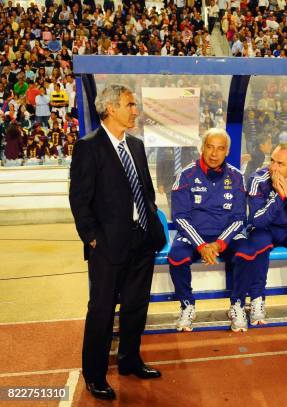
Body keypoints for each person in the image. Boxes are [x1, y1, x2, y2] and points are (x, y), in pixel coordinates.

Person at [69, 84, 167, 400]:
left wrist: (150, 223)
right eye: (130, 104)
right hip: (108, 246)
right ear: (111, 108)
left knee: (136, 306)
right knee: (101, 310)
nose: (135, 110)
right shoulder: (89, 147)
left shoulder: (136, 145)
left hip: (141, 240)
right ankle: (95, 374)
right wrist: (93, 239)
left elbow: (147, 192)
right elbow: (79, 200)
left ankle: (129, 360)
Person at [229, 143, 287, 330]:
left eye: (280, 163)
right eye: (272, 160)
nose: (273, 167)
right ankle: (256, 300)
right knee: (259, 242)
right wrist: (279, 197)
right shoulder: (257, 178)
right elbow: (257, 220)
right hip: (266, 229)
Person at [168, 128, 247, 331]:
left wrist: (219, 243)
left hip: (225, 236)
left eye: (220, 149)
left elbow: (239, 219)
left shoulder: (237, 177)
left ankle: (237, 305)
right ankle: (187, 305)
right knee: (176, 256)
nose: (214, 154)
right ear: (202, 148)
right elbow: (180, 218)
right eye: (210, 147)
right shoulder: (185, 175)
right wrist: (202, 245)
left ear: (227, 151)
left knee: (246, 254)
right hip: (194, 234)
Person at [156, 145, 199, 212]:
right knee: (172, 206)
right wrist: (159, 183)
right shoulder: (164, 146)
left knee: (185, 203)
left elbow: (197, 160)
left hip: (185, 179)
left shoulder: (189, 144)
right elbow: (159, 165)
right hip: (169, 180)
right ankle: (175, 220)